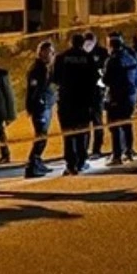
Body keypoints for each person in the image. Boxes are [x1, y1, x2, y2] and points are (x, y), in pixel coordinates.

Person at [52, 33, 97, 175]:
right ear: (82, 43)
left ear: (70, 42)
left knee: (68, 133)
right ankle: (81, 161)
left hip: (66, 101)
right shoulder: (88, 58)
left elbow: (55, 78)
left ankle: (70, 164)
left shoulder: (61, 58)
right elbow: (94, 79)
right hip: (83, 101)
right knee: (82, 132)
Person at [103, 33, 137, 166]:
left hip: (116, 96)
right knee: (127, 124)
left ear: (110, 46)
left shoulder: (112, 60)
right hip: (130, 95)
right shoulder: (130, 57)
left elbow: (106, 80)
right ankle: (128, 151)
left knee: (114, 127)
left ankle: (117, 155)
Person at [24, 41, 57, 178]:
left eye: (52, 52)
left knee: (43, 136)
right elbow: (34, 90)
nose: (52, 55)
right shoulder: (37, 69)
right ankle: (32, 165)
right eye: (49, 52)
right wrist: (35, 105)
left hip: (46, 105)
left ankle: (37, 162)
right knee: (41, 136)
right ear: (42, 53)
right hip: (41, 106)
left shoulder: (46, 68)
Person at [86, 33, 110, 159]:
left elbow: (105, 72)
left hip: (97, 93)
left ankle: (96, 149)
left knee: (97, 122)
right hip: (84, 95)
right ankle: (84, 150)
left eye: (90, 41)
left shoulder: (102, 53)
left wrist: (103, 87)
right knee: (84, 124)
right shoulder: (81, 54)